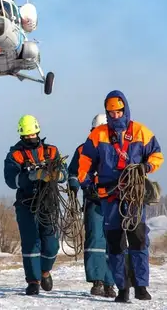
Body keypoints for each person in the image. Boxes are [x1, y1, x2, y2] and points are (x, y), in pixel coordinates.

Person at [75, 90, 164, 303]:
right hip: (109, 195)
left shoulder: (141, 132)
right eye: (111, 112)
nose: (115, 116)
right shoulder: (98, 136)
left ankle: (141, 286)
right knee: (115, 243)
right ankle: (122, 288)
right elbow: (85, 162)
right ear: (107, 112)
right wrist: (86, 182)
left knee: (138, 239)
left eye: (118, 111)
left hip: (133, 194)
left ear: (125, 109)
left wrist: (147, 166)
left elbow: (157, 154)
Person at [4, 114, 68, 296]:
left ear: (38, 132)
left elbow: (63, 172)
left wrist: (56, 175)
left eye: (33, 135)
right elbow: (11, 180)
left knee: (51, 245)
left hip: (49, 203)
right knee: (31, 243)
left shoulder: (52, 151)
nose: (31, 139)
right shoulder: (14, 155)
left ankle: (45, 271)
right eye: (27, 136)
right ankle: (33, 281)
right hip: (26, 204)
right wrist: (31, 176)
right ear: (21, 136)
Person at [68, 113, 117, 298]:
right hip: (93, 200)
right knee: (95, 240)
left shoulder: (118, 149)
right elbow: (73, 172)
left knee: (113, 241)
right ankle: (97, 281)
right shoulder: (82, 150)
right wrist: (74, 188)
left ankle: (110, 283)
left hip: (114, 202)